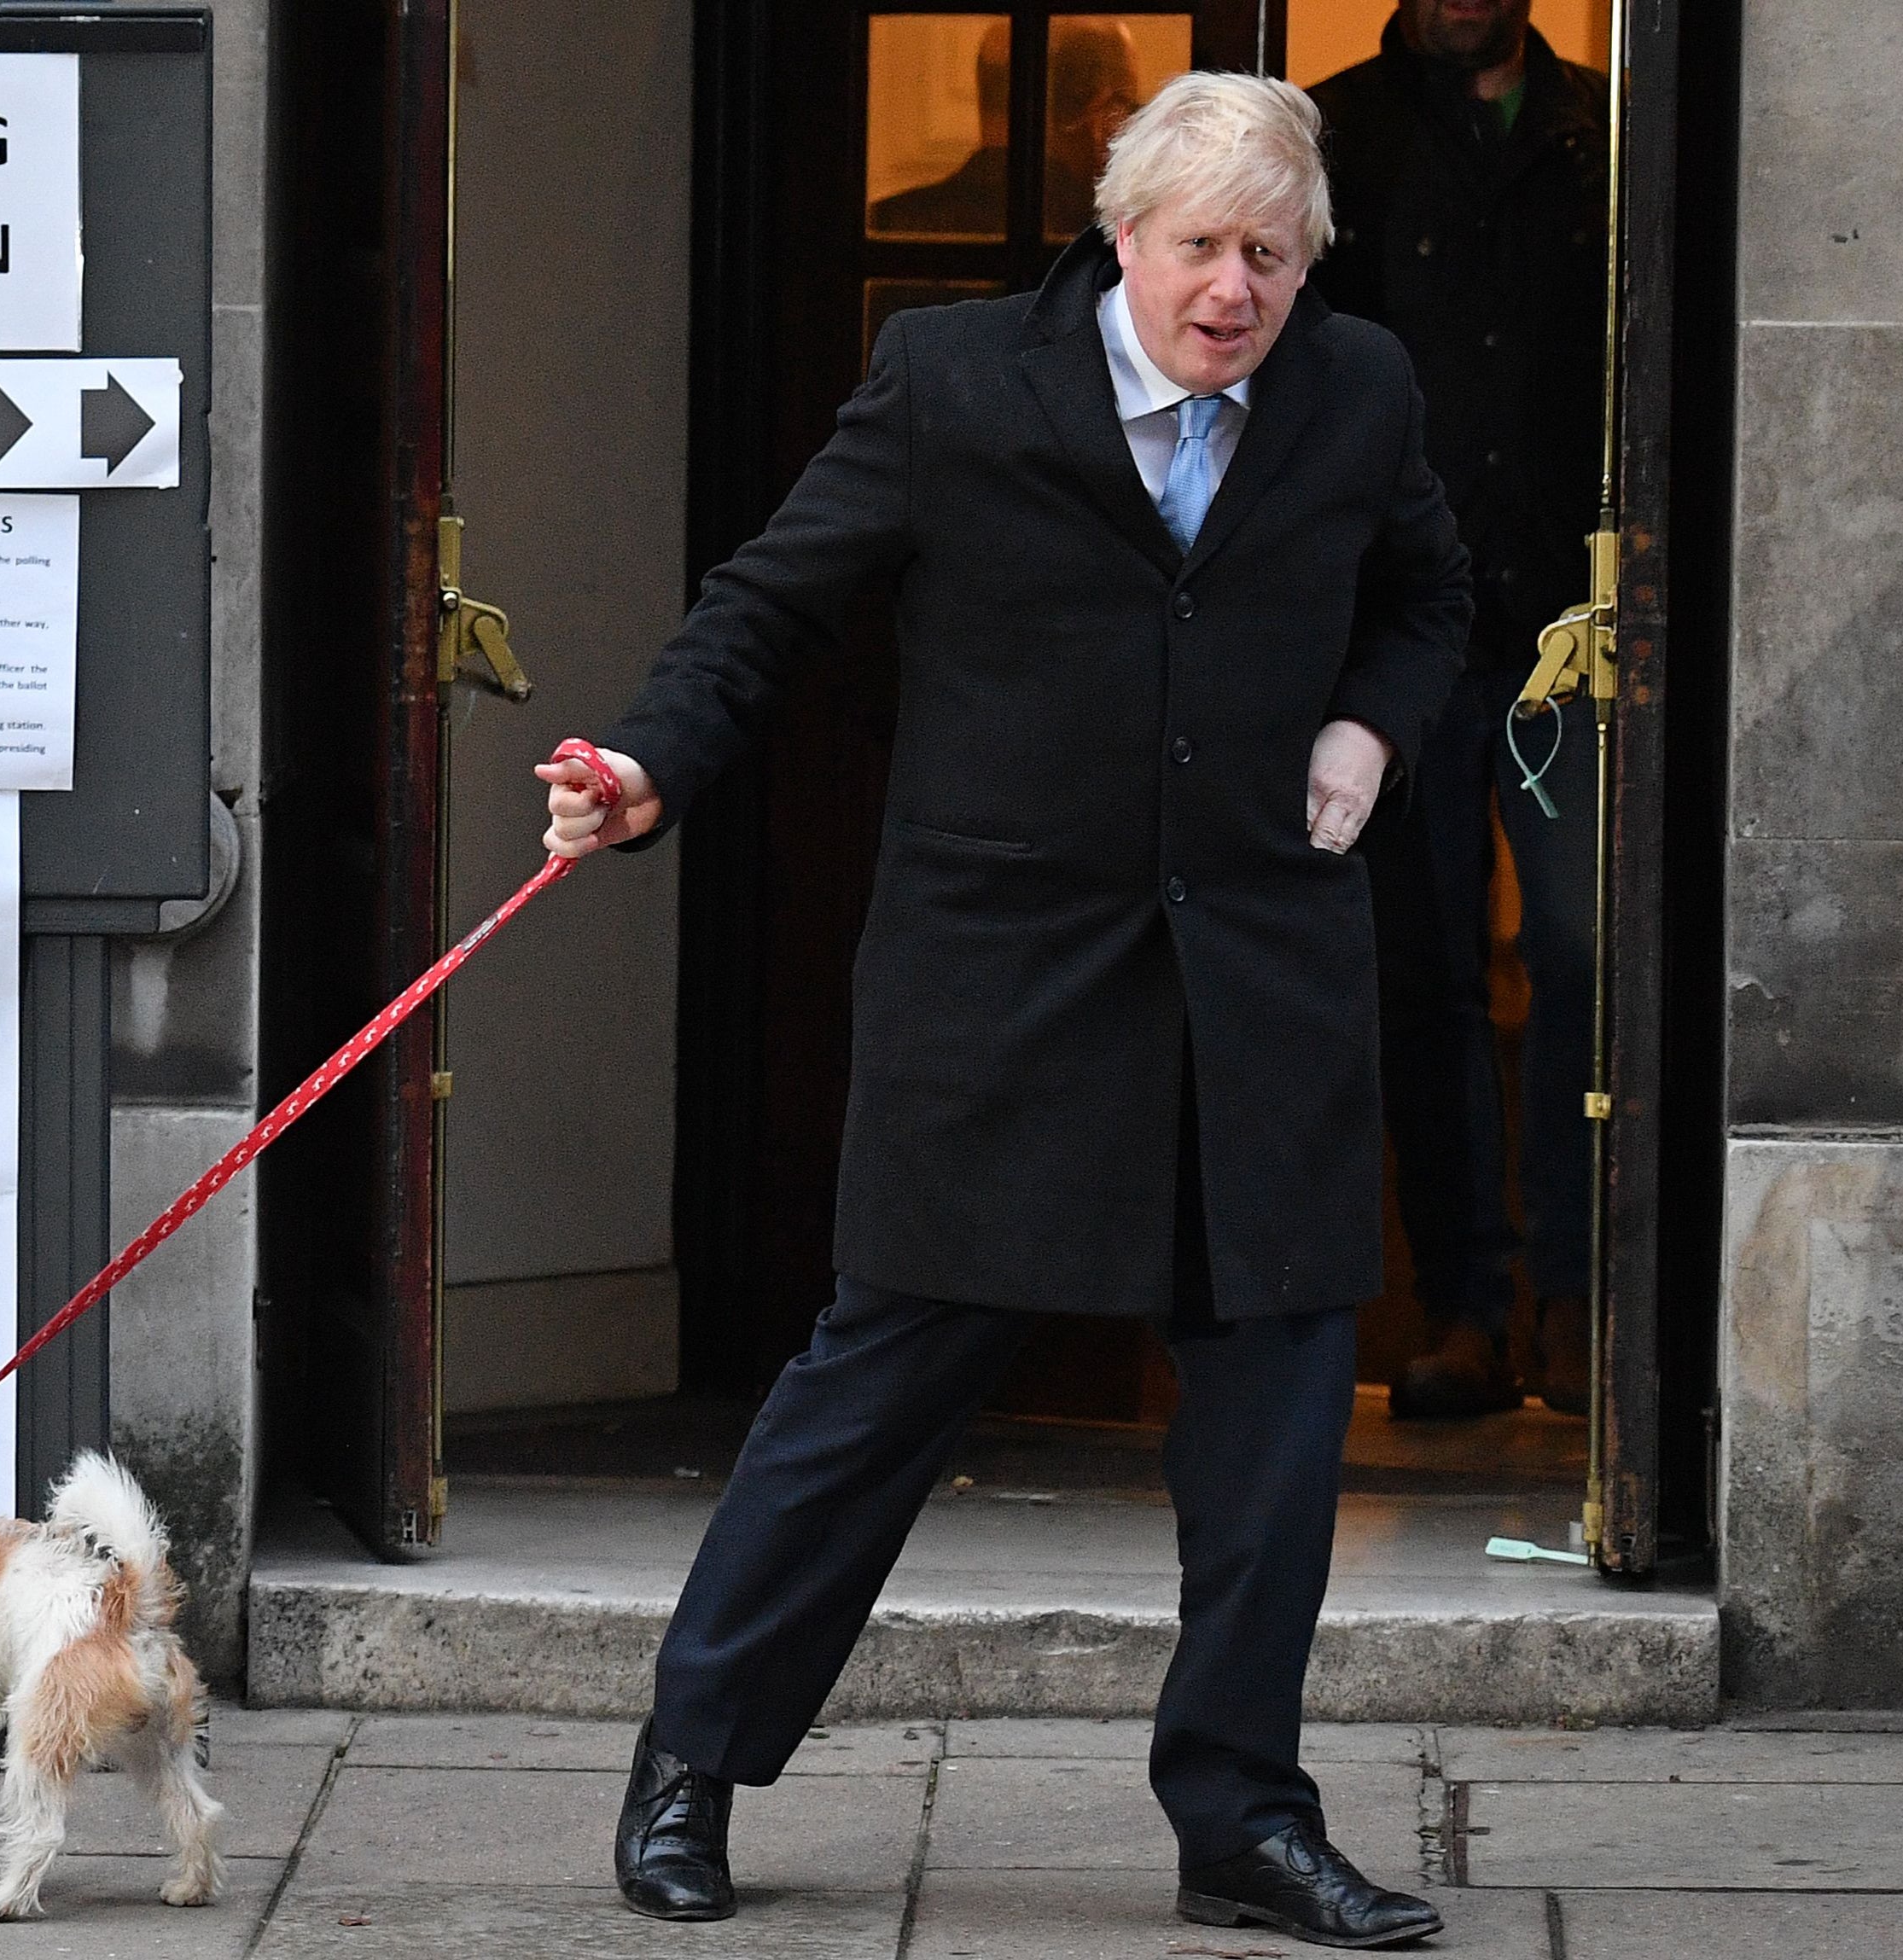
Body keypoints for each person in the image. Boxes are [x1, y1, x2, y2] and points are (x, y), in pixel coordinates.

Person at [541, 74, 1469, 1950]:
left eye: (1270, 257)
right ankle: (690, 1759)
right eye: (1201, 247)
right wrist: (647, 763)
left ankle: (1240, 1817)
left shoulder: (1353, 387)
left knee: (1276, 1424)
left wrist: (1366, 728)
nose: (1234, 292)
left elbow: (1430, 592)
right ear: (1122, 234)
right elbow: (771, 602)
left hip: (1260, 980)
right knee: (871, 1389)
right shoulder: (955, 379)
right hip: (1002, 974)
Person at [1309, 1, 1610, 1419]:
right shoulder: (1331, 131)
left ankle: (1576, 1292)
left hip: (1571, 622)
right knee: (1414, 971)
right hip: (1397, 627)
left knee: (1579, 950)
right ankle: (1463, 1306)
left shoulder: (1605, 130)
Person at [868, 19, 1144, 240]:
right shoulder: (1111, 233)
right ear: (1094, 106)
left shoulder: (888, 221)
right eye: (1126, 105)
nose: (1129, 125)